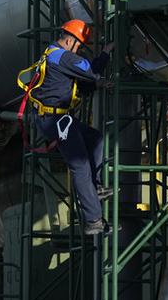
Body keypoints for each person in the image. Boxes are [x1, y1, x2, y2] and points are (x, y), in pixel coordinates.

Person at [19, 20, 112, 235]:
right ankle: (93, 221)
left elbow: (78, 82)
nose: (78, 49)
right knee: (80, 166)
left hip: (59, 118)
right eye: (78, 45)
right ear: (69, 40)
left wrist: (96, 83)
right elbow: (90, 70)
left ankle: (95, 189)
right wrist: (106, 54)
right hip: (55, 121)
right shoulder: (60, 56)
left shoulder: (53, 54)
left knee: (95, 139)